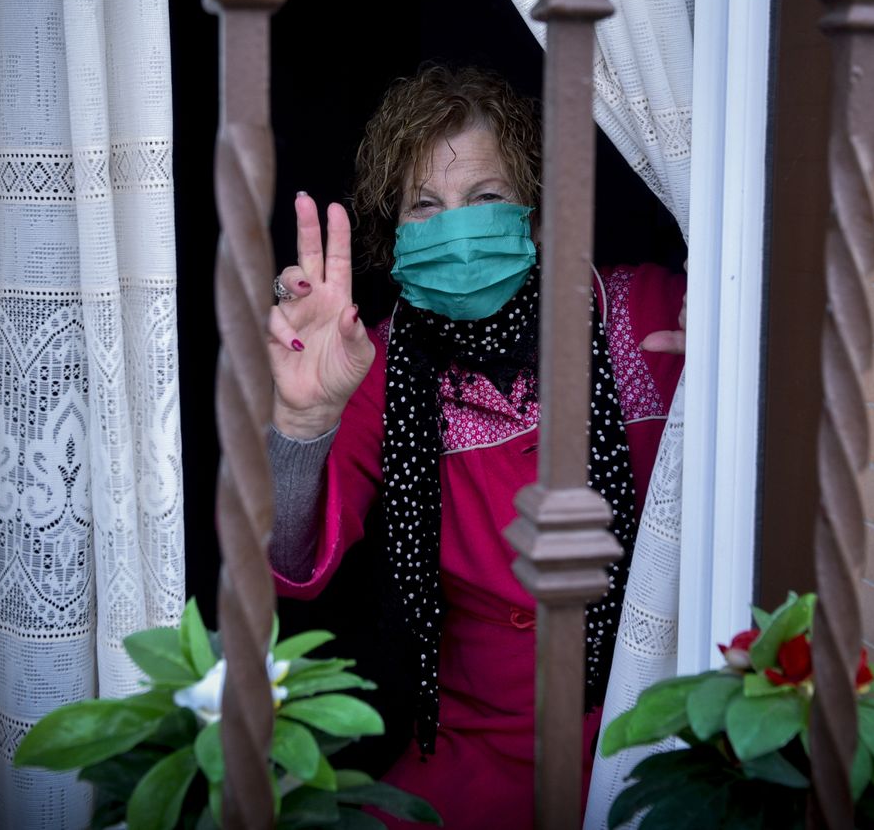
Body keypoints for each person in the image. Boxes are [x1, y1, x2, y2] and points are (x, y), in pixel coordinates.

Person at [266, 66, 685, 829]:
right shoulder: (374, 364)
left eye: (485, 199)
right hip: (470, 746)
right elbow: (292, 563)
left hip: (654, 720)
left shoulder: (650, 313)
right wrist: (300, 425)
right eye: (425, 206)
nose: (454, 228)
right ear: (396, 237)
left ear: (534, 218)